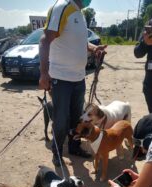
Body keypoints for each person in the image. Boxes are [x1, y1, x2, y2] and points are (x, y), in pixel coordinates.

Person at [39, 0, 107, 167]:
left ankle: (74, 147)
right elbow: (45, 40)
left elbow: (79, 43)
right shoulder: (62, 7)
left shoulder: (79, 13)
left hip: (78, 78)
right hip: (61, 79)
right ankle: (57, 153)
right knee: (61, 120)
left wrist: (93, 49)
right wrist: (43, 73)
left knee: (77, 118)